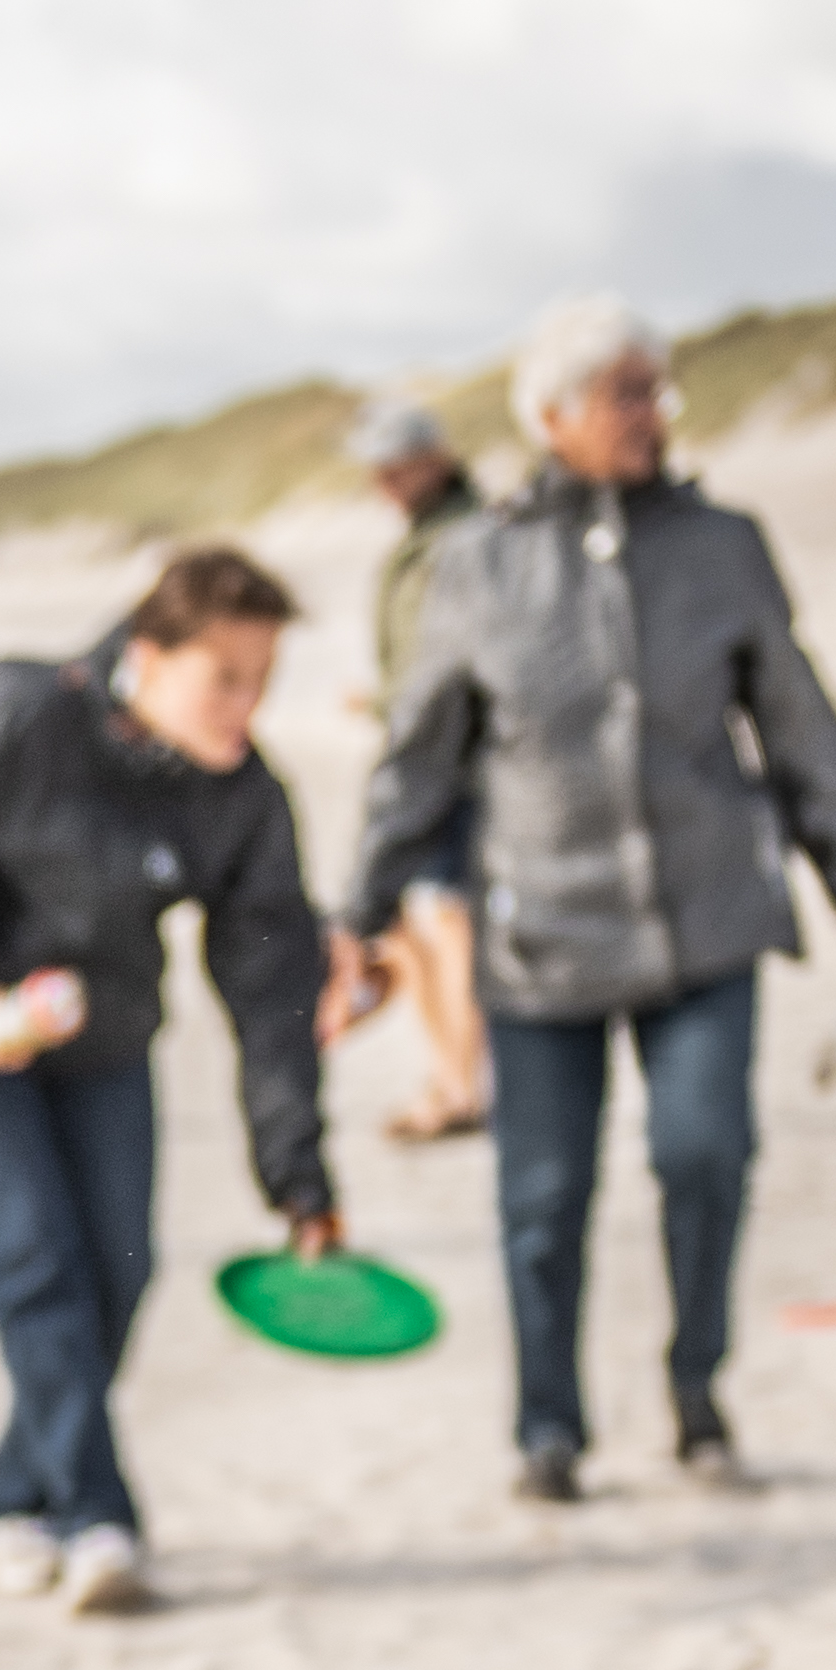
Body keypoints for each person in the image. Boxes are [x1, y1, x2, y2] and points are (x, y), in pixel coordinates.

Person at [360, 297, 836, 1504]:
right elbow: (420, 758)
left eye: (657, 391)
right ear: (552, 418)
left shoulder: (724, 547)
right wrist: (360, 914)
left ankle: (697, 1392)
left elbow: (801, 728)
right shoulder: (478, 564)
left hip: (705, 920)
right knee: (544, 1195)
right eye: (626, 395)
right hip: (541, 931)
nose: (653, 415)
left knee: (705, 1153)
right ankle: (547, 1427)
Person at [0, 544, 342, 1616]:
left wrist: (296, 1173)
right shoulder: (17, 713)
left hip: (103, 1033)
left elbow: (274, 988)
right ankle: (100, 1515)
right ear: (147, 657)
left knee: (119, 1274)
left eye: (262, 682)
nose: (244, 709)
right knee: (37, 1262)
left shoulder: (239, 793)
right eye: (226, 679)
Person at [324, 395, 492, 1142]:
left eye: (396, 466)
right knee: (416, 926)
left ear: (435, 459)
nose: (383, 481)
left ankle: (460, 1086)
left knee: (442, 923)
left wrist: (390, 699)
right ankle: (452, 1077)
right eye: (377, 469)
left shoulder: (462, 539)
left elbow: (453, 660)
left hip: (451, 760)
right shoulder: (432, 536)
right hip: (426, 747)